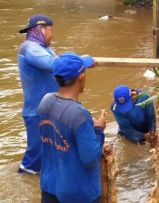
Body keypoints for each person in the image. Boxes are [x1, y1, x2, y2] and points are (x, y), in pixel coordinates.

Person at [38, 52, 104, 203]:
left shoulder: (45, 102)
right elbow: (91, 158)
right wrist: (98, 130)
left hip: (49, 188)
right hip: (78, 194)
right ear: (81, 77)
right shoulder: (79, 115)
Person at [17, 14, 58, 174]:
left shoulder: (44, 48)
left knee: (52, 152)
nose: (52, 34)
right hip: (36, 113)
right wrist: (76, 61)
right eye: (50, 30)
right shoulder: (30, 48)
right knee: (35, 157)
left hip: (48, 110)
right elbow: (54, 65)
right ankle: (21, 188)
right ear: (41, 29)